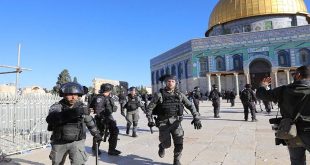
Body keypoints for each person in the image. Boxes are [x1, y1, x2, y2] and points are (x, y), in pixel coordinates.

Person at [256, 65, 310, 165]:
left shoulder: (283, 90)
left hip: (291, 132)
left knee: (297, 162)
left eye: (294, 74)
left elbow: (261, 95)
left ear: (298, 75)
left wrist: (263, 85)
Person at [146, 74, 202, 165]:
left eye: (173, 81)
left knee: (179, 143)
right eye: (169, 81)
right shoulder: (159, 95)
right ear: (165, 83)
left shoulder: (179, 95)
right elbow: (149, 109)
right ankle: (162, 146)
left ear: (175, 83)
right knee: (167, 144)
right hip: (163, 123)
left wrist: (196, 117)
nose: (171, 83)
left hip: (176, 123)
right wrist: (150, 120)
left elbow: (190, 106)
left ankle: (176, 160)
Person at [46, 82, 102, 165]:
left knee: (78, 162)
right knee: (57, 163)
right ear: (64, 95)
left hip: (77, 142)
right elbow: (52, 118)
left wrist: (96, 133)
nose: (73, 97)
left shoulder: (82, 106)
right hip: (59, 142)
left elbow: (89, 121)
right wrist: (76, 112)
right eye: (70, 94)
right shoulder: (57, 106)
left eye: (76, 94)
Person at [90, 83, 121, 156]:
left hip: (108, 116)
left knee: (114, 131)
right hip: (102, 118)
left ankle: (112, 149)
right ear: (107, 90)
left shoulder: (107, 97)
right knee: (99, 133)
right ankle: (95, 148)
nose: (111, 91)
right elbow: (98, 110)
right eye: (110, 90)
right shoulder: (100, 98)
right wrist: (103, 119)